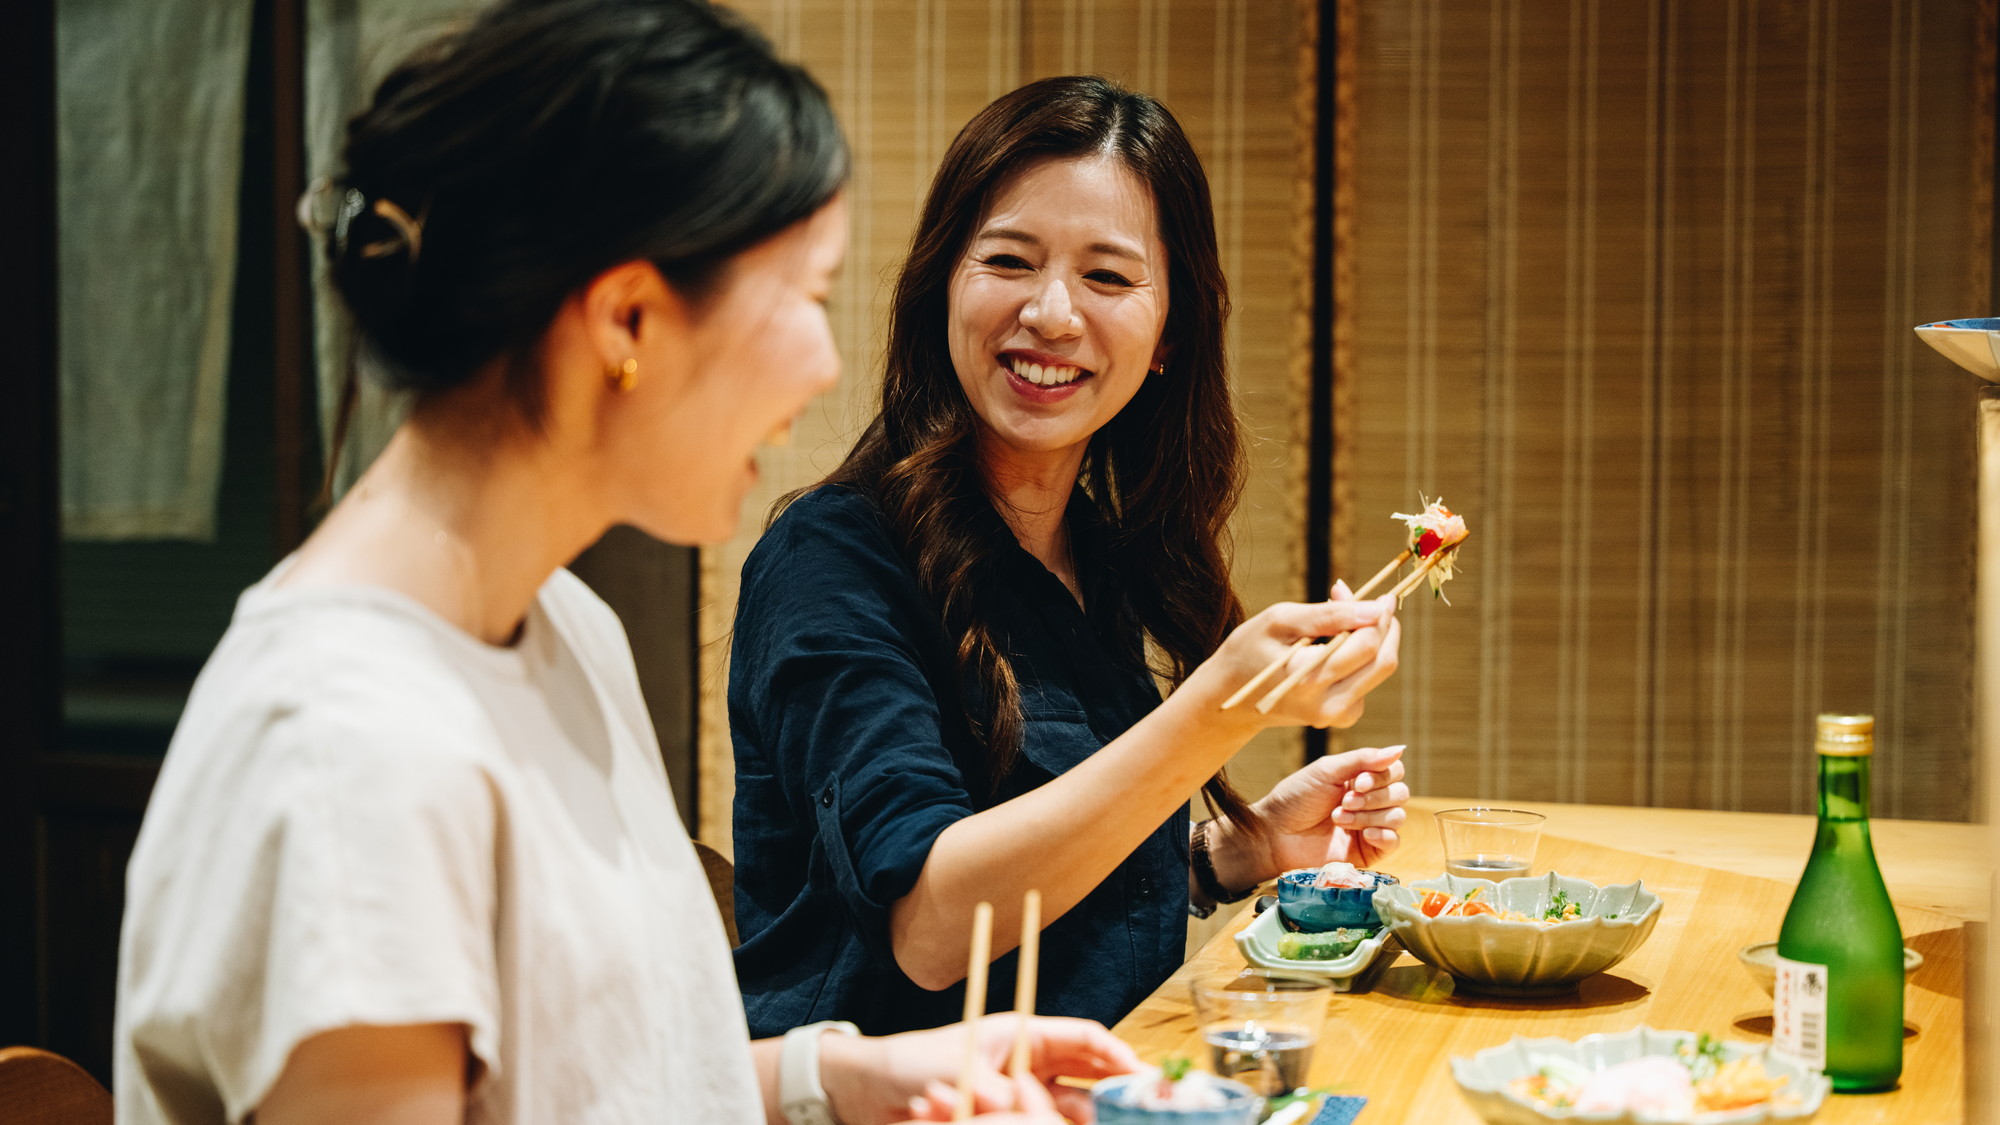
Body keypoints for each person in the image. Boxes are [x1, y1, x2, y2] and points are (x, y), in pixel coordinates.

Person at [112, 4, 1134, 1123]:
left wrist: (835, 1077)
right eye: (803, 296)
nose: (824, 360)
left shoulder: (558, 624)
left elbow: (583, 1082)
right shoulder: (352, 751)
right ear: (628, 321)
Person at [729, 75, 1410, 1040]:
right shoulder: (831, 559)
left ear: (1169, 331)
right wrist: (1214, 712)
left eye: (1107, 275)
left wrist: (1234, 850)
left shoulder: (1098, 547)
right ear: (943, 284)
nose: (1051, 314)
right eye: (1009, 259)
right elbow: (934, 926)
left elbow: (1049, 868)